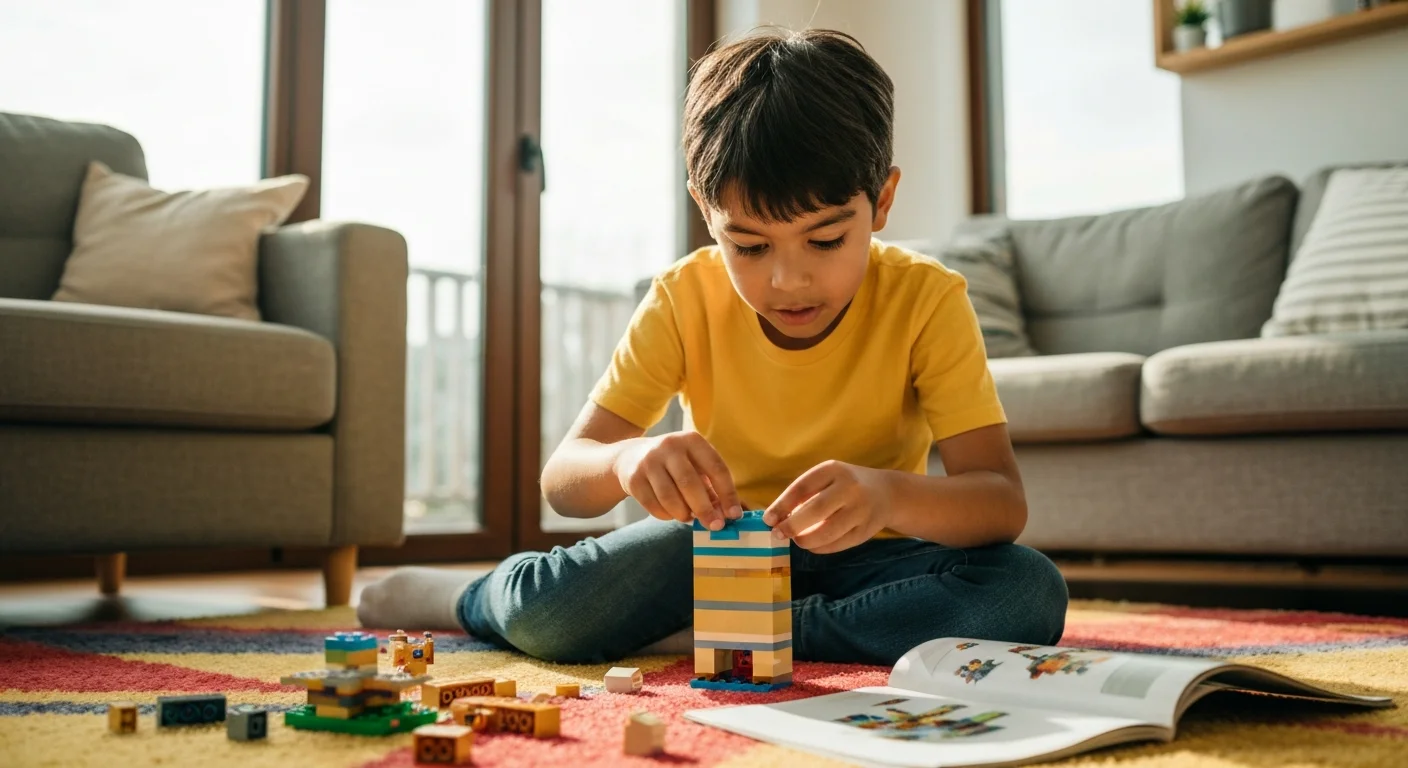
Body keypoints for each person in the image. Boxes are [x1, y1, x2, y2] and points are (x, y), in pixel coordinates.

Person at [358, 27, 1068, 666]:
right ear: (706, 212)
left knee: (1024, 592)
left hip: (871, 561)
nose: (788, 279)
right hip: (712, 553)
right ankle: (468, 598)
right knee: (552, 610)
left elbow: (999, 503)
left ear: (881, 203)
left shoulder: (927, 298)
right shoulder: (683, 296)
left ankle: (729, 632)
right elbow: (564, 482)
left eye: (826, 239)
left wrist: (887, 497)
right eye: (749, 245)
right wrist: (629, 457)